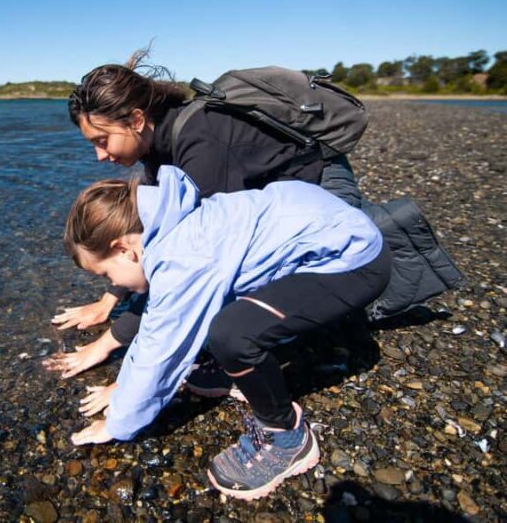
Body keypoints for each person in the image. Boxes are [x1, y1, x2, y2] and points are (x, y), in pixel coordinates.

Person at [45, 52, 462, 383]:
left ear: (136, 120)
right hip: (280, 195)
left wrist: (112, 345)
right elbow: (141, 238)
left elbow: (194, 264)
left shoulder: (200, 143)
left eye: (102, 140)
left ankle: (391, 253)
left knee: (248, 285)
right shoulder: (157, 151)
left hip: (322, 181)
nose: (100, 155)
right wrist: (108, 301)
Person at [63, 166, 391, 500]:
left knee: (231, 335)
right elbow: (157, 320)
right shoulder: (172, 222)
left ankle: (286, 435)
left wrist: (119, 421)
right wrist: (123, 387)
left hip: (353, 262)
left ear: (122, 249)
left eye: (106, 274)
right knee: (208, 310)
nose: (114, 285)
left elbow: (161, 349)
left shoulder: (183, 257)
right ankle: (234, 371)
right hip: (331, 230)